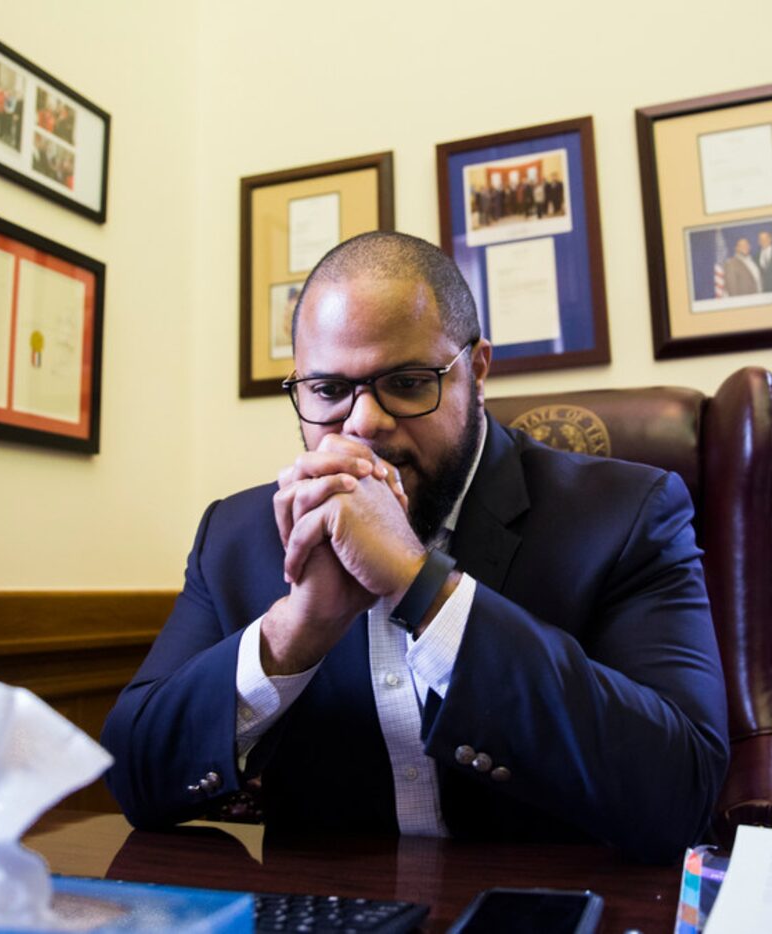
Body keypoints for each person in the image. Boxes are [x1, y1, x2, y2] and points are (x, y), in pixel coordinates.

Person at [101, 232, 728, 864]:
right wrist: (299, 627)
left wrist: (419, 584)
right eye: (326, 390)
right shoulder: (236, 536)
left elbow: (682, 794)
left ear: (476, 371)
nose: (363, 422)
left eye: (405, 382)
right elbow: (135, 779)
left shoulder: (627, 515)